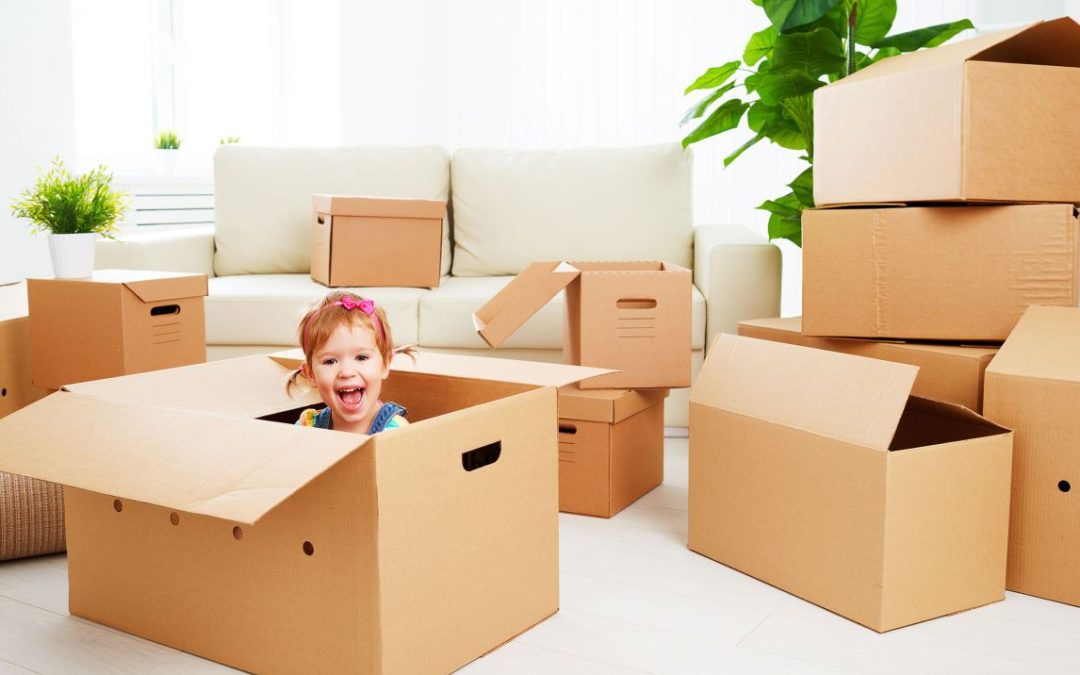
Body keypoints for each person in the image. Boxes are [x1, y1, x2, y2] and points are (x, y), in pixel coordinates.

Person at [287, 291, 414, 433]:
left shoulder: (396, 432)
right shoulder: (307, 427)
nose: (347, 372)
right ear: (311, 375)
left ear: (385, 364)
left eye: (361, 357)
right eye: (330, 361)